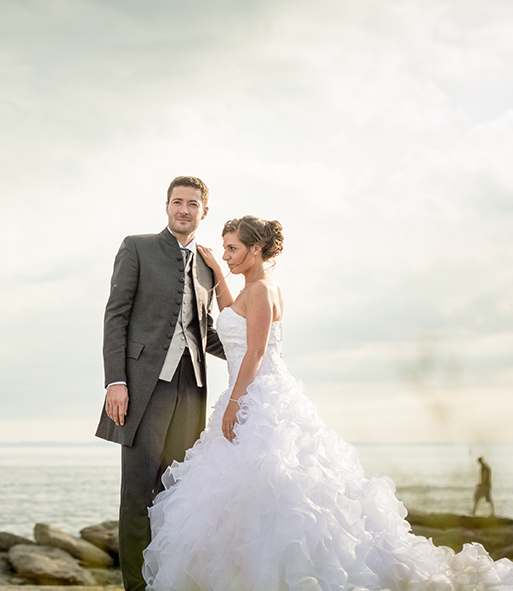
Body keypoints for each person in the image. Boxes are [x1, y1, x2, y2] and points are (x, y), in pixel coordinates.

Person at [142, 215, 513, 591]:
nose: (227, 254)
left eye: (233, 248)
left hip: (256, 395)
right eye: (225, 248)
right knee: (245, 490)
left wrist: (236, 401)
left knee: (269, 484)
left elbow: (254, 351)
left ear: (256, 249)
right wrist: (218, 269)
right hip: (250, 390)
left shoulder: (260, 290)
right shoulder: (254, 288)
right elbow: (230, 315)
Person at [95, 176, 226, 591]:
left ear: (204, 211)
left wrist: (251, 352)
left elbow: (202, 329)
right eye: (177, 202)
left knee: (176, 491)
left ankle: (165, 580)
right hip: (142, 387)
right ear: (166, 207)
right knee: (137, 492)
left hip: (192, 387)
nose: (183, 209)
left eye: (192, 204)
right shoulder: (137, 247)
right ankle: (135, 587)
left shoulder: (206, 265)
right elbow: (116, 315)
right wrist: (116, 380)